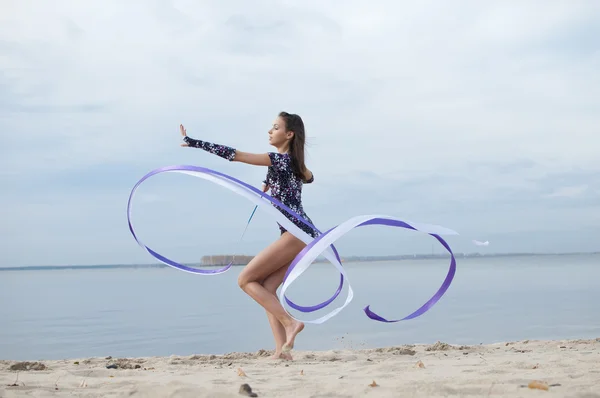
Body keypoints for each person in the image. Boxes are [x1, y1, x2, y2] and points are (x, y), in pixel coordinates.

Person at [179, 111, 318, 360]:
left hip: (297, 232)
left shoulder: (279, 160)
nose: (269, 131)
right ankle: (281, 352)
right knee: (266, 287)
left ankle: (290, 323)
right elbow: (309, 177)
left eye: (275, 127)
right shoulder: (291, 164)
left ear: (289, 134)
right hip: (300, 233)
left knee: (245, 280)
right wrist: (282, 179)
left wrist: (194, 143)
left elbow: (236, 156)